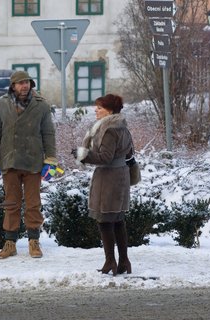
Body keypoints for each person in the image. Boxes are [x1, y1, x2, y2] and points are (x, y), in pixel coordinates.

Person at [0, 70, 58, 259]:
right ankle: (10, 243)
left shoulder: (41, 106)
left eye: (27, 82)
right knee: (11, 204)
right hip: (10, 160)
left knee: (33, 203)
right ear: (13, 86)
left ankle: (34, 241)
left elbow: (48, 134)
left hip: (33, 161)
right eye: (20, 83)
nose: (24, 86)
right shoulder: (0, 105)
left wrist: (50, 159)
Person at [73, 93, 133, 276]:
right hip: (121, 176)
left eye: (99, 108)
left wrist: (82, 154)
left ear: (109, 110)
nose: (95, 110)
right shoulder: (123, 127)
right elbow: (130, 153)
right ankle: (124, 261)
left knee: (105, 220)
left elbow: (105, 158)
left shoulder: (109, 129)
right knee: (118, 220)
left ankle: (110, 261)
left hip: (108, 178)